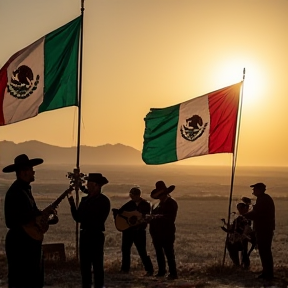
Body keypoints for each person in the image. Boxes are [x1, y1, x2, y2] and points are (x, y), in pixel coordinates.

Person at [3, 154, 59, 288]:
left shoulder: (25, 190)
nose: (33, 172)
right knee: (21, 280)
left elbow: (31, 215)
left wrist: (45, 218)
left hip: (29, 243)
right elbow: (11, 221)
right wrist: (36, 217)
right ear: (23, 173)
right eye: (31, 169)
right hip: (20, 244)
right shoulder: (15, 192)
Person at [67, 173, 111, 288]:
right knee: (85, 265)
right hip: (85, 234)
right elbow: (78, 218)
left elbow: (94, 219)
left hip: (95, 235)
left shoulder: (103, 201)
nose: (87, 185)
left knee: (97, 265)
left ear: (96, 185)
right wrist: (72, 203)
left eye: (89, 183)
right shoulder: (86, 200)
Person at [112, 187, 154, 276]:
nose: (132, 197)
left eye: (134, 195)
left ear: (138, 195)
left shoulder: (145, 204)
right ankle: (125, 269)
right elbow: (121, 213)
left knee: (142, 251)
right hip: (128, 231)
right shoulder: (129, 204)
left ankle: (149, 270)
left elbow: (145, 216)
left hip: (139, 231)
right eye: (131, 195)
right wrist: (116, 214)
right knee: (125, 250)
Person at [244, 182, 275, 280]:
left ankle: (268, 274)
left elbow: (257, 213)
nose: (253, 191)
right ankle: (266, 272)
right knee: (264, 251)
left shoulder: (264, 200)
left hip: (264, 229)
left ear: (260, 190)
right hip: (263, 229)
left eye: (254, 189)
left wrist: (245, 215)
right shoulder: (263, 199)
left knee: (265, 251)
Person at [149, 181, 178, 280]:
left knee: (169, 253)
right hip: (156, 232)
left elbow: (170, 218)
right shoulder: (157, 204)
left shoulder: (171, 203)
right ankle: (162, 271)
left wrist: (156, 217)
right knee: (159, 252)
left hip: (167, 232)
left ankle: (173, 273)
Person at [221, 202, 255, 269]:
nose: (239, 210)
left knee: (239, 251)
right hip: (240, 238)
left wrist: (228, 230)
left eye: (240, 209)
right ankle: (241, 265)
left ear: (245, 208)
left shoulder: (244, 218)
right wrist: (225, 224)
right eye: (238, 209)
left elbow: (237, 229)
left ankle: (239, 265)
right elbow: (233, 228)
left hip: (240, 238)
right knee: (243, 252)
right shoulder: (240, 218)